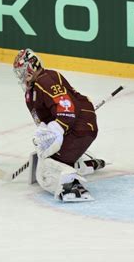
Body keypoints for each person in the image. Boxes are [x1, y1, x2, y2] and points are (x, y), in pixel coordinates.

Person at [13, 48, 105, 202]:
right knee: (49, 157)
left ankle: (72, 186)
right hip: (76, 128)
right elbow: (42, 120)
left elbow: (67, 109)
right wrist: (47, 136)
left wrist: (56, 130)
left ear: (30, 68)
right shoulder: (33, 91)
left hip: (79, 128)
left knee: (45, 171)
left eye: (22, 72)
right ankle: (86, 163)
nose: (21, 77)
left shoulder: (45, 80)